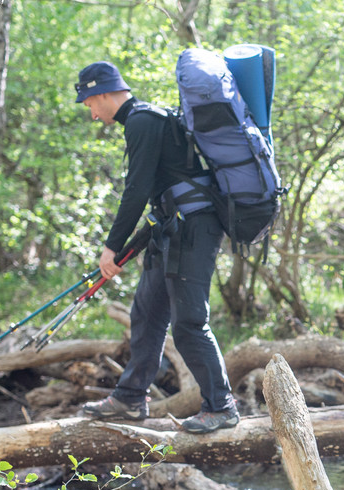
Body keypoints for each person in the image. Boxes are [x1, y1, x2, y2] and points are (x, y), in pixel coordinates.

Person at [74, 61, 239, 434]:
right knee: (146, 314)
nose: (92, 113)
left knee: (189, 323)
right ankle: (130, 399)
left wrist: (111, 247)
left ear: (102, 93)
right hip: (170, 228)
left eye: (89, 104)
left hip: (192, 229)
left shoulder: (142, 121)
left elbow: (136, 189)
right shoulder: (147, 119)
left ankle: (222, 406)